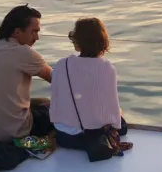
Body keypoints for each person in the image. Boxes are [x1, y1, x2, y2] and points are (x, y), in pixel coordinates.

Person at [0, 5, 53, 146]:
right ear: (17, 32)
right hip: (10, 134)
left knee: (41, 101)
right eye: (34, 32)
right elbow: (59, 80)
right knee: (52, 108)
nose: (37, 37)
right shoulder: (24, 53)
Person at [50, 17, 127, 150]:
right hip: (95, 138)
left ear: (79, 42)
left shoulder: (62, 64)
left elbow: (56, 99)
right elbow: (111, 110)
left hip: (66, 138)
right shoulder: (107, 68)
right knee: (121, 122)